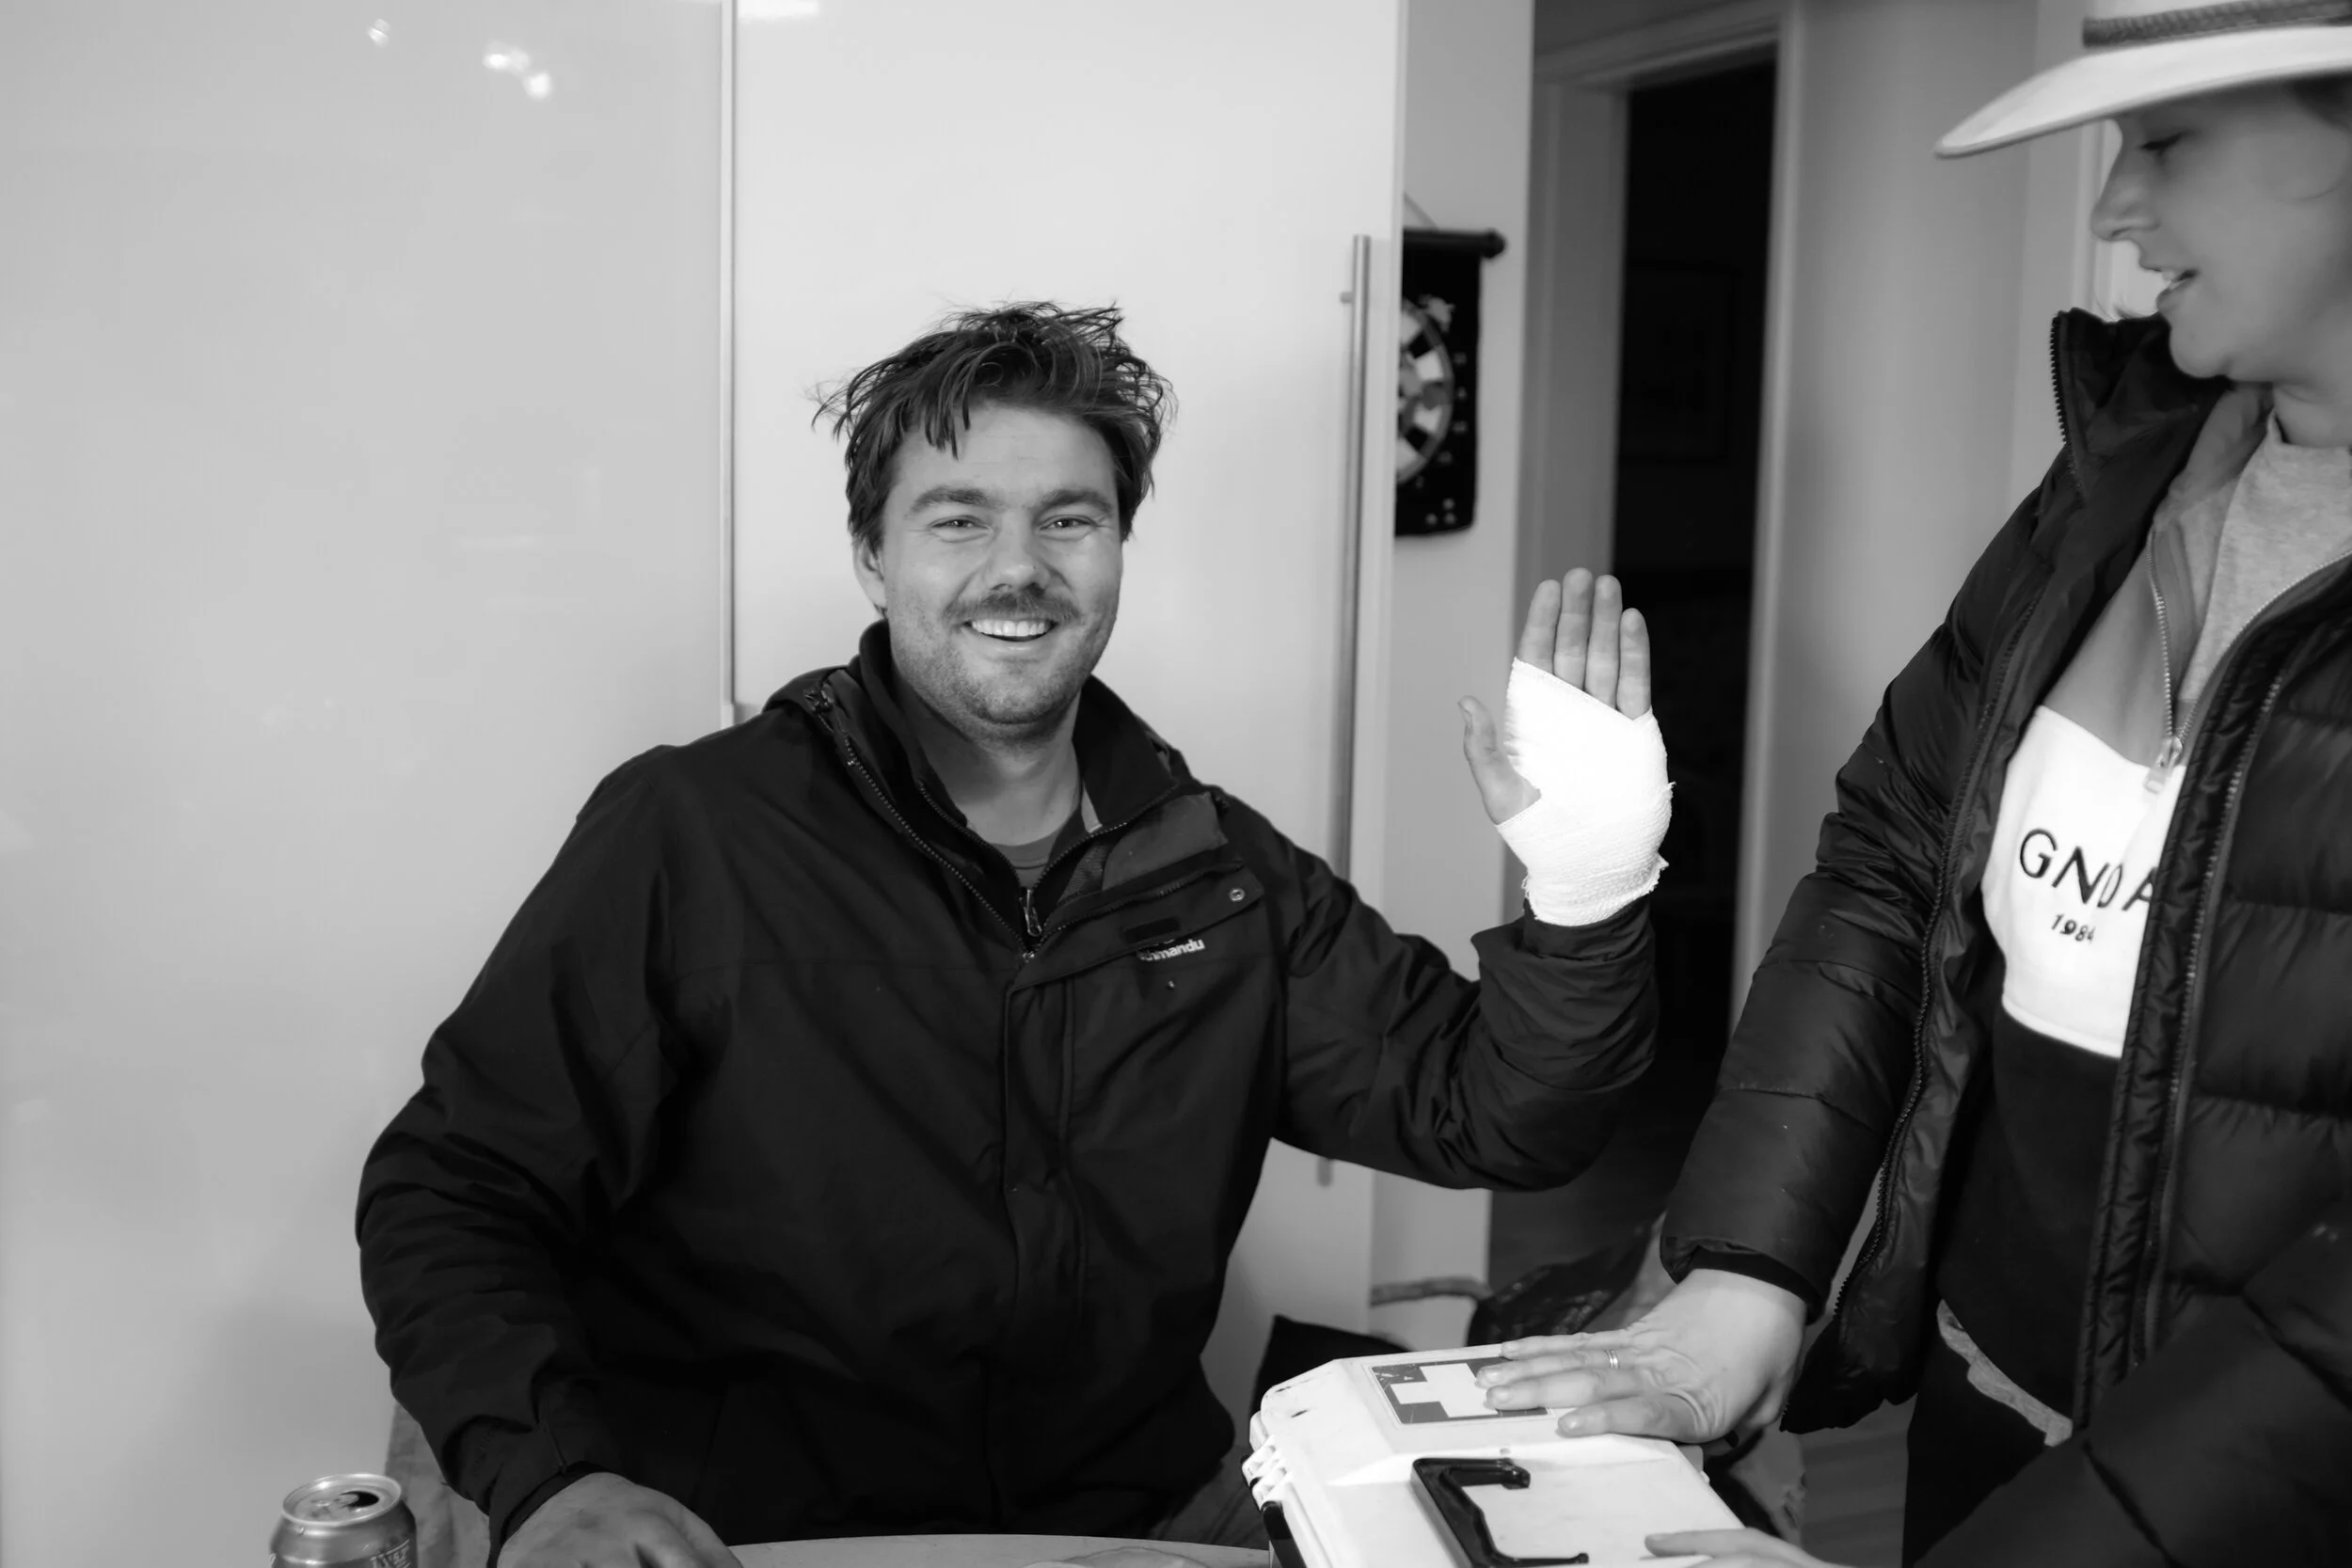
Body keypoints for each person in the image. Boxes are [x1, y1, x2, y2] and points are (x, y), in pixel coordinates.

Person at [357, 302, 1678, 1568]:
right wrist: (554, 1476)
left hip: (1126, 1527)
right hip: (758, 1536)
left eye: (1068, 518)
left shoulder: (1215, 869)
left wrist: (1590, 877)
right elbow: (458, 1188)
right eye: (958, 519)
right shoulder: (692, 833)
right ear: (873, 557)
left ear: (1116, 550)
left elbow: (1500, 1115)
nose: (1019, 568)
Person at [1477, 6, 2352, 1565]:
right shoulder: (2117, 485)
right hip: (1989, 1416)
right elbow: (1894, 860)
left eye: (2165, 143)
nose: (2112, 208)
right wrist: (1750, 1265)